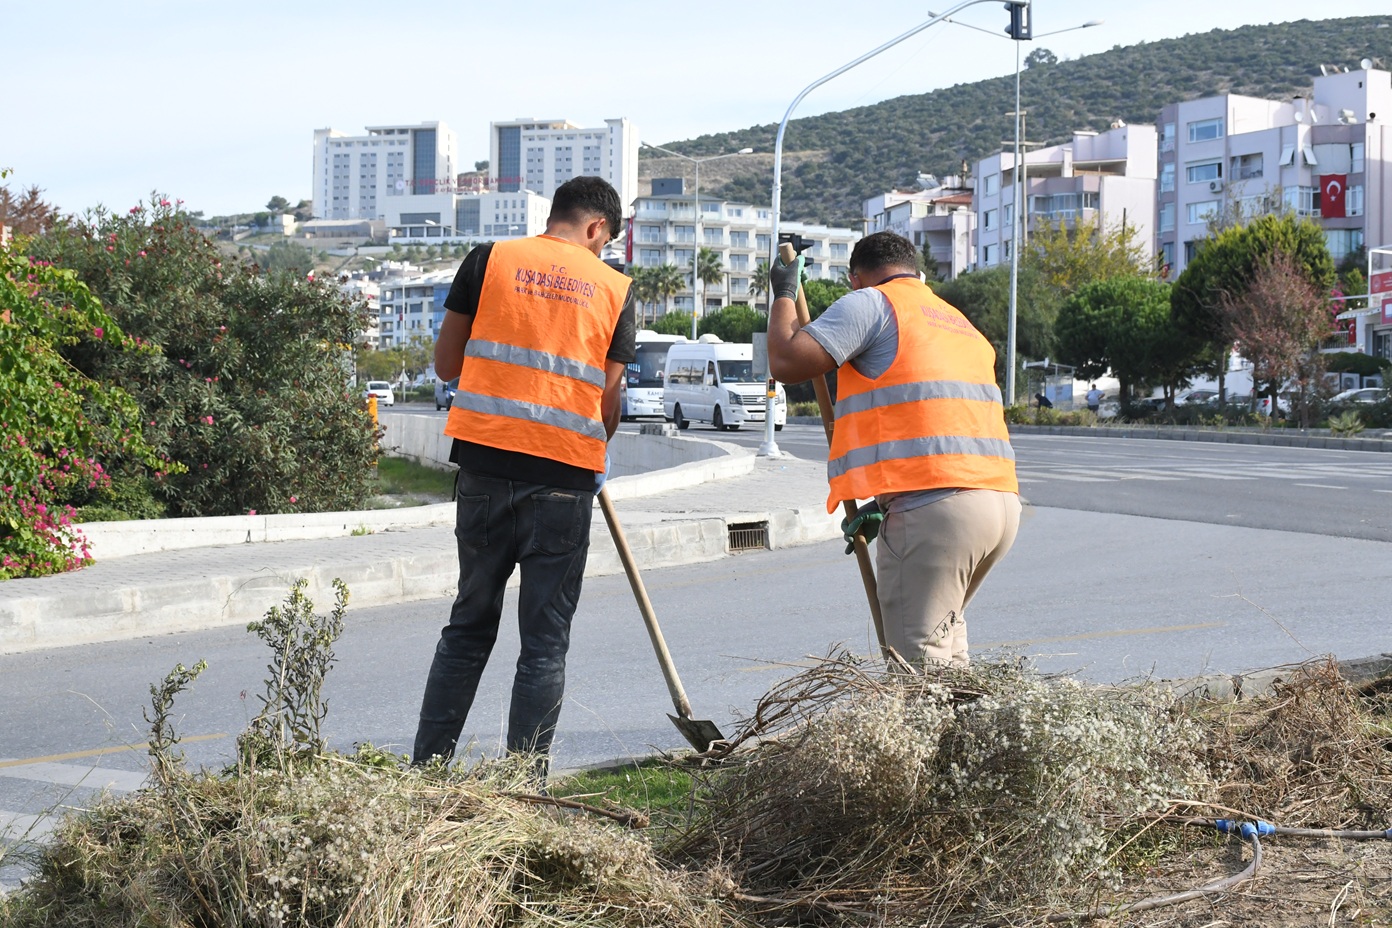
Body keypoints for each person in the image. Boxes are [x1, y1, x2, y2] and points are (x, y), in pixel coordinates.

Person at [413, 176, 635, 777]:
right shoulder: (615, 289)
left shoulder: (489, 260)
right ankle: (522, 788)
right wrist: (593, 446)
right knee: (544, 643)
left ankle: (427, 775)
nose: (603, 253)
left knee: (468, 626)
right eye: (605, 242)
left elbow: (446, 363)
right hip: (565, 478)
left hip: (485, 467)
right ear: (596, 228)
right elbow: (607, 402)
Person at [766, 231, 1020, 667]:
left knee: (916, 668)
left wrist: (785, 293)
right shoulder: (955, 320)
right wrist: (886, 504)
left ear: (855, 280)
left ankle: (931, 735)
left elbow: (788, 362)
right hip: (997, 506)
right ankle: (962, 734)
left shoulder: (871, 302)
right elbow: (932, 422)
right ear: (917, 272)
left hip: (936, 511)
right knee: (947, 649)